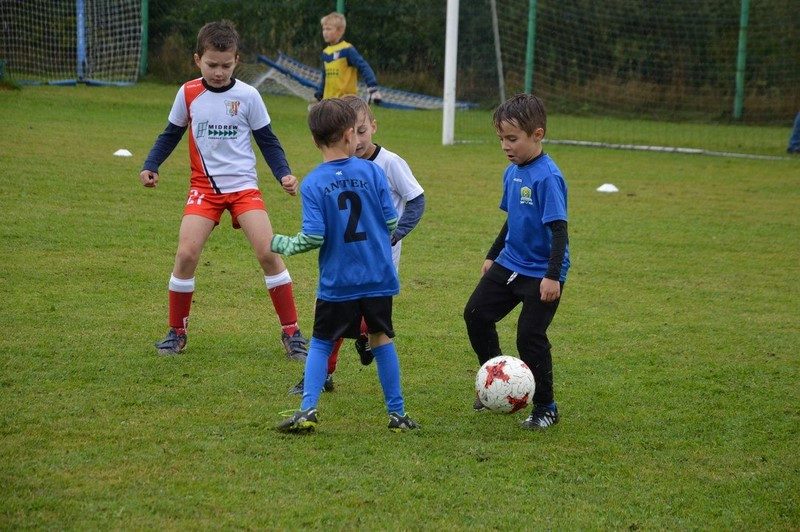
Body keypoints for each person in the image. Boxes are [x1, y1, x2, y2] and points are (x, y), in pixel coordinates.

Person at [139, 20, 308, 360]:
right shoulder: (188, 93)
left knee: (268, 253)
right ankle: (176, 332)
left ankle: (292, 332)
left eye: (226, 66)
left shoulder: (248, 96)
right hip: (204, 189)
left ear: (236, 61)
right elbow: (170, 133)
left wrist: (284, 174)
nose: (218, 72)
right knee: (186, 254)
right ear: (197, 60)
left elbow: (268, 141)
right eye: (212, 64)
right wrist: (151, 164)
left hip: (244, 188)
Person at [272, 98, 419, 433]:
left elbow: (313, 237)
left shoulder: (313, 183)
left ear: (315, 140)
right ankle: (397, 415)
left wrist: (280, 243)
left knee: (322, 341)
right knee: (381, 338)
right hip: (378, 276)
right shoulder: (373, 171)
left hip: (338, 280)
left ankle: (308, 410)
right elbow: (391, 221)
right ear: (350, 134)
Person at [463, 93, 569, 431]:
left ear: (537, 135)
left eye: (512, 138)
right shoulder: (512, 172)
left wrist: (552, 276)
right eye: (501, 139)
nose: (505, 146)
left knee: (529, 336)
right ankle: (494, 380)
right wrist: (493, 255)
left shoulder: (547, 177)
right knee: (476, 314)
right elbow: (512, 220)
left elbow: (559, 230)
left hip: (541, 272)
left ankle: (546, 407)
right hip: (510, 263)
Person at [314, 11, 383, 104]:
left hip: (346, 103)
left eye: (329, 29)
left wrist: (372, 86)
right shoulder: (325, 52)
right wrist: (320, 93)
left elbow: (363, 66)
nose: (325, 32)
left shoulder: (347, 50)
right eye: (324, 29)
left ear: (340, 31)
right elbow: (325, 76)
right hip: (329, 102)